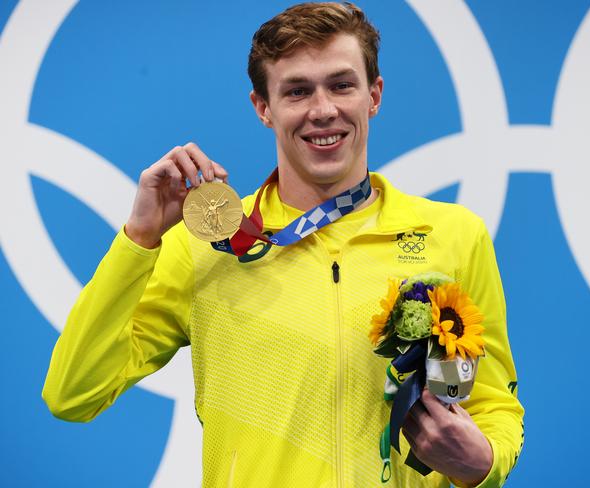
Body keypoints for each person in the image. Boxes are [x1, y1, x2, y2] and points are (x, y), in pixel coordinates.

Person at [43, 2, 524, 487]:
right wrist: (139, 240)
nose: (322, 110)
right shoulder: (205, 246)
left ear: (373, 95)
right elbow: (73, 393)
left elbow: (493, 403)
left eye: (342, 84)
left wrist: (485, 462)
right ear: (263, 108)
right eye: (297, 91)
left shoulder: (454, 235)